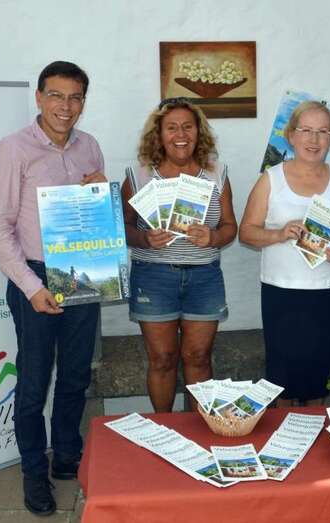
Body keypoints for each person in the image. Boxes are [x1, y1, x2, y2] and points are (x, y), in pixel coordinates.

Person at [0, 61, 106, 515]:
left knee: (76, 374)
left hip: (82, 271)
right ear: (39, 97)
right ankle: (34, 471)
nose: (65, 106)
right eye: (56, 95)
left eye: (75, 97)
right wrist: (32, 287)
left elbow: (94, 216)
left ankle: (67, 455)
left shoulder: (89, 146)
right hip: (34, 276)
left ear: (83, 102)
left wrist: (101, 192)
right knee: (35, 381)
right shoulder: (14, 149)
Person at [240, 101, 330, 406]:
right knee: (281, 378)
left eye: (323, 131)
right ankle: (281, 433)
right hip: (281, 291)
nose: (314, 139)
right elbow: (247, 232)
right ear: (291, 135)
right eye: (306, 130)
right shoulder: (271, 179)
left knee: (320, 376)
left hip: (325, 292)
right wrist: (278, 234)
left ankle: (315, 431)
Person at [121, 98, 237, 413]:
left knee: (198, 357)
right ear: (158, 134)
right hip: (153, 277)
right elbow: (123, 228)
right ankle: (164, 424)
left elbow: (230, 227)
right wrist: (145, 238)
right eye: (171, 128)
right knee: (162, 359)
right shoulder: (139, 175)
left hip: (204, 277)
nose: (180, 134)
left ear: (199, 131)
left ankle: (198, 428)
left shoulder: (216, 173)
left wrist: (213, 237)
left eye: (188, 126)